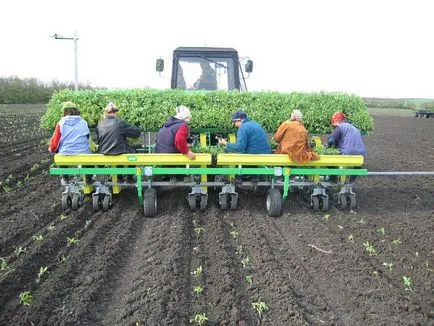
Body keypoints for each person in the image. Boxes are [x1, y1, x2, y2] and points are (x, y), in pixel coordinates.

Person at [48, 101, 92, 184]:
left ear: (64, 111)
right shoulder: (84, 122)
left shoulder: (61, 123)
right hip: (84, 153)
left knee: (60, 156)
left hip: (66, 153)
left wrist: (52, 149)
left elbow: (55, 142)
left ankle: (65, 179)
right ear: (76, 111)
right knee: (89, 156)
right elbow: (88, 139)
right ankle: (88, 179)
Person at [96, 102, 141, 182]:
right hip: (118, 151)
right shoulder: (120, 123)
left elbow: (99, 140)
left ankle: (119, 177)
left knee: (120, 149)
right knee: (132, 152)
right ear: (116, 112)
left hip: (103, 152)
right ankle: (129, 177)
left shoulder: (100, 125)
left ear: (106, 113)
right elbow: (136, 133)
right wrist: (133, 126)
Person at [327, 111, 367, 182]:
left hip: (347, 153)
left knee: (329, 158)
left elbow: (332, 141)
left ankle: (333, 177)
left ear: (336, 121)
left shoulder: (340, 127)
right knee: (356, 165)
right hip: (362, 155)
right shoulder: (355, 128)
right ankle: (351, 181)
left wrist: (328, 147)